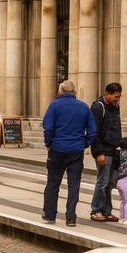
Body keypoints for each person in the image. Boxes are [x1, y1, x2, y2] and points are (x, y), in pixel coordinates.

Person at [41, 79, 96, 227]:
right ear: (75, 92)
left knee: (53, 182)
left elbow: (48, 127)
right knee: (74, 184)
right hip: (76, 150)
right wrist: (85, 143)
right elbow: (92, 130)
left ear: (60, 91)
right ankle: (71, 217)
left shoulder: (54, 105)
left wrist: (48, 143)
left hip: (57, 149)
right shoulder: (84, 107)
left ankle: (50, 214)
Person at [88, 82, 124, 222]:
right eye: (115, 97)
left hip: (114, 150)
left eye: (119, 97)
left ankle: (107, 211)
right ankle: (95, 210)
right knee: (102, 182)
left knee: (110, 183)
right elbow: (94, 131)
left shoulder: (115, 107)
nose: (117, 99)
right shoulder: (98, 107)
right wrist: (98, 152)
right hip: (104, 150)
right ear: (107, 94)